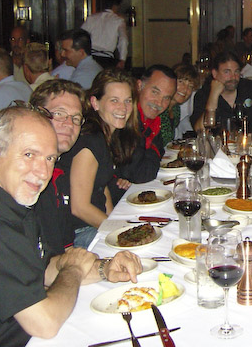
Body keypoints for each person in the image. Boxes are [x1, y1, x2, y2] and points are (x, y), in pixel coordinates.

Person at [0, 106, 141, 346]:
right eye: (29, 154)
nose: (43, 172)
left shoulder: (7, 194)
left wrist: (104, 268)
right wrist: (73, 270)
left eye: (50, 158)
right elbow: (45, 323)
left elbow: (42, 268)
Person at [59, 68, 140, 248]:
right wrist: (119, 231)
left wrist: (114, 218)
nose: (123, 108)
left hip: (93, 225)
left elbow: (101, 187)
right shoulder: (90, 141)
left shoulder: (106, 136)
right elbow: (79, 207)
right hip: (79, 233)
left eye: (127, 101)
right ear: (95, 103)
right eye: (114, 100)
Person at [30, 79, 87, 255]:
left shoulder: (60, 170)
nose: (69, 124)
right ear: (37, 114)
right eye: (59, 114)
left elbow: (65, 244)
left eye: (76, 118)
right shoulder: (28, 174)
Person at [117, 65, 177, 188]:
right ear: (139, 86)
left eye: (166, 98)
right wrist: (152, 152)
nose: (159, 102)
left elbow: (159, 152)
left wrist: (150, 153)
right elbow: (140, 174)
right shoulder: (125, 117)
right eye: (155, 92)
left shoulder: (153, 120)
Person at [191, 51, 252, 134]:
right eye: (227, 72)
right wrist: (213, 96)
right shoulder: (203, 94)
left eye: (236, 71)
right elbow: (200, 130)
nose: (233, 77)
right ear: (215, 73)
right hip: (218, 142)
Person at [81, 0, 129, 69]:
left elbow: (81, 35)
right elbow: (123, 39)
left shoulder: (92, 18)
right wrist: (122, 59)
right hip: (107, 59)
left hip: (91, 57)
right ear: (116, 6)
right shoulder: (118, 21)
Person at [159, 63, 198, 145]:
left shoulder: (176, 109)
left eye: (190, 86)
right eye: (181, 82)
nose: (185, 89)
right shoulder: (159, 107)